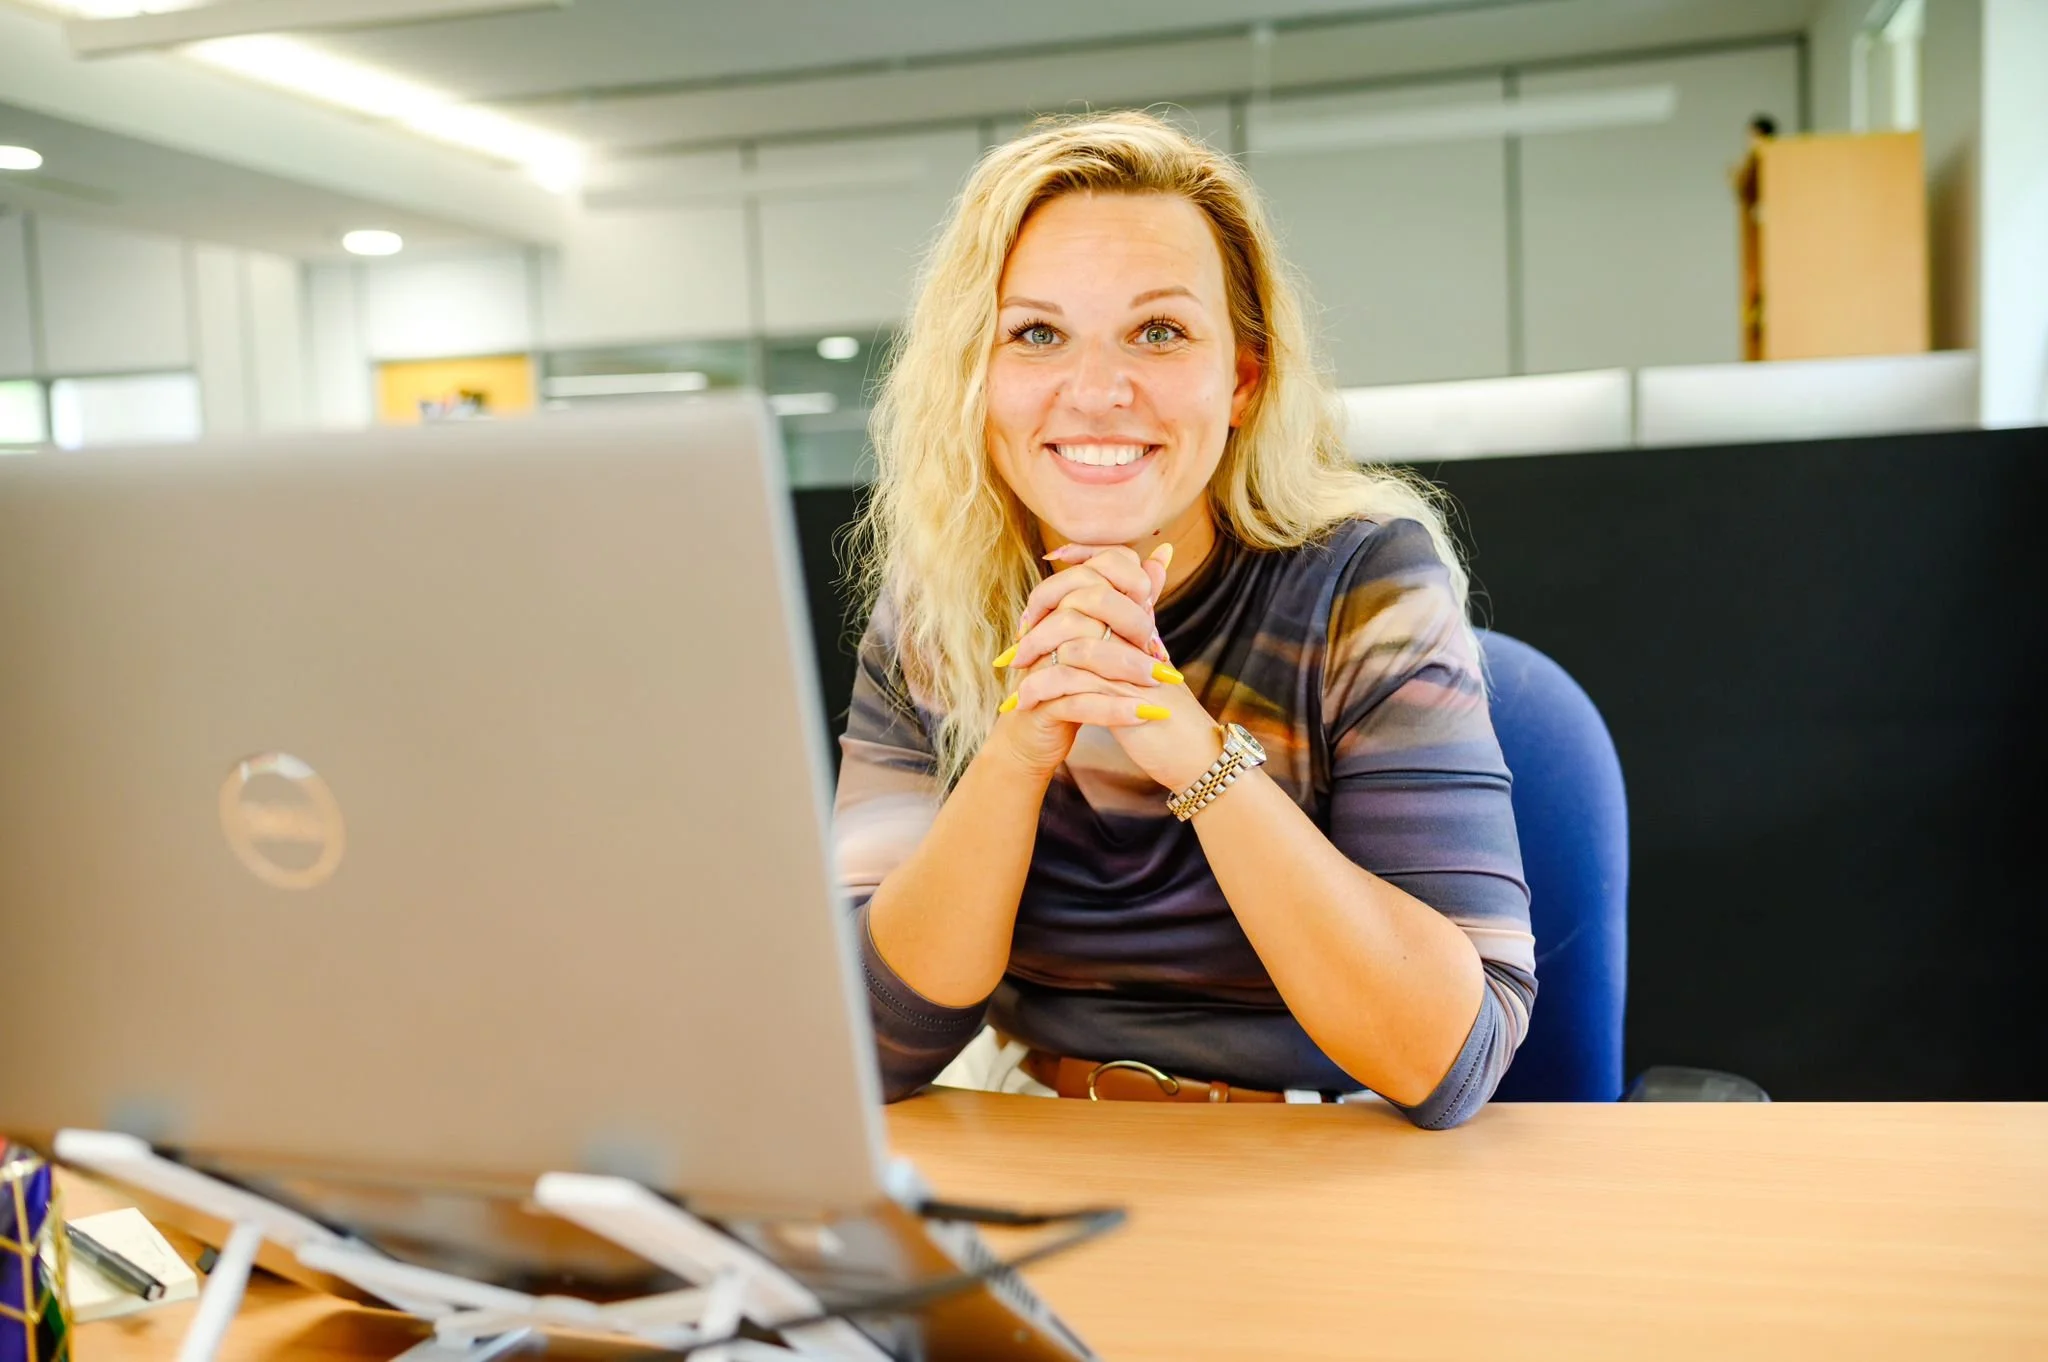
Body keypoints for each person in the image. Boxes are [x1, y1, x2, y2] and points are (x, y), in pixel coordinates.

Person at [833, 112, 1533, 1129]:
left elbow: (1448, 1062)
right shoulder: (935, 606)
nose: (1098, 391)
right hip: (1035, 1142)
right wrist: (1021, 748)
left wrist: (1184, 744)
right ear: (975, 382)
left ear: (1241, 379)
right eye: (1034, 333)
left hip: (1312, 1151)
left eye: (1158, 332)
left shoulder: (1364, 585)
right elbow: (864, 1044)